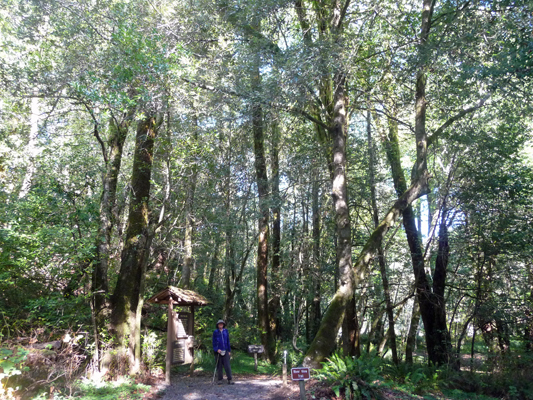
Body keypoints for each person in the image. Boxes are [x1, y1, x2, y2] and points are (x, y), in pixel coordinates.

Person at [212, 319, 234, 385]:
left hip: (226, 350)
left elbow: (228, 341)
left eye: (222, 324)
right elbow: (214, 342)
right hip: (218, 352)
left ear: (223, 325)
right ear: (218, 325)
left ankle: (230, 379)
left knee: (227, 366)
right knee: (219, 366)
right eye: (219, 324)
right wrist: (216, 349)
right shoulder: (215, 332)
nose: (220, 325)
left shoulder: (226, 331)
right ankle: (220, 379)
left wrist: (229, 350)